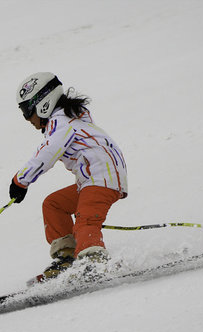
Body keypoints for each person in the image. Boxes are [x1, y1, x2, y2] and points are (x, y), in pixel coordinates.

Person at [9, 72, 128, 283]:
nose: (27, 119)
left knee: (85, 222)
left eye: (28, 111)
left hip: (101, 177)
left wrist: (21, 180)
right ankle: (67, 258)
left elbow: (48, 152)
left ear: (43, 103)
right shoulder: (68, 118)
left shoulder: (62, 122)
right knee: (53, 204)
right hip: (92, 179)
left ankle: (95, 262)